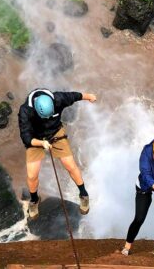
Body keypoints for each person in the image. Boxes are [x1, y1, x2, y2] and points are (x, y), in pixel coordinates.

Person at [18, 88, 97, 219]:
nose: (48, 118)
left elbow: (74, 96)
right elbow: (26, 137)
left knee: (70, 165)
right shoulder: (25, 111)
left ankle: (84, 195)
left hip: (55, 132)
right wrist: (41, 143)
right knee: (32, 175)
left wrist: (89, 96)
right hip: (35, 138)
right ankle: (34, 200)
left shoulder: (58, 99)